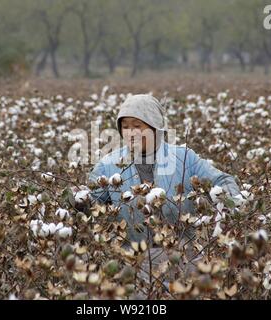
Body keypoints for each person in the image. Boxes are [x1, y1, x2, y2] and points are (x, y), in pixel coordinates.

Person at [86, 94, 241, 295]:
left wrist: (228, 202)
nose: (130, 133)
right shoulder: (108, 166)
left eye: (137, 126)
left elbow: (223, 181)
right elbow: (92, 202)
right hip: (132, 264)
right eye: (125, 126)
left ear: (155, 128)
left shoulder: (184, 158)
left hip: (185, 260)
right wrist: (79, 202)